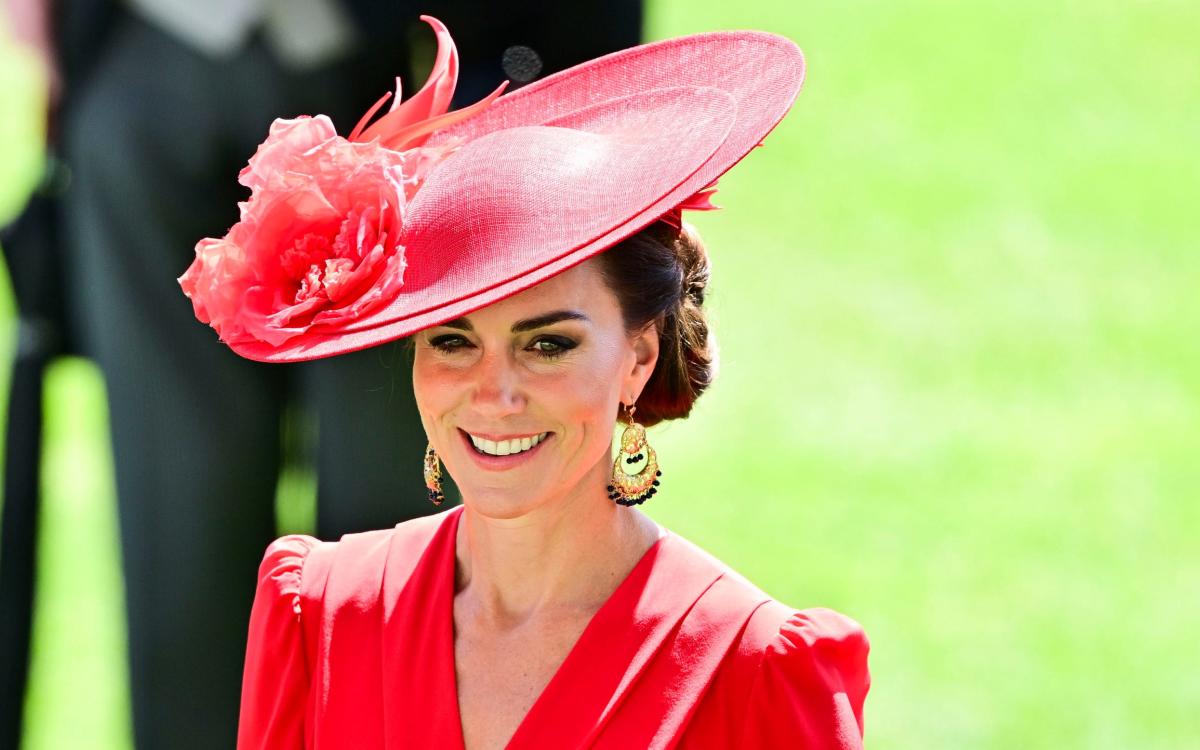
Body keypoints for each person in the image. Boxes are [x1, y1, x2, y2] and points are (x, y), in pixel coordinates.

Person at [178, 16, 870, 749]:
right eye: (452, 340)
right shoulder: (318, 613)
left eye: (547, 344)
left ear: (638, 356)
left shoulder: (752, 669)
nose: (494, 393)